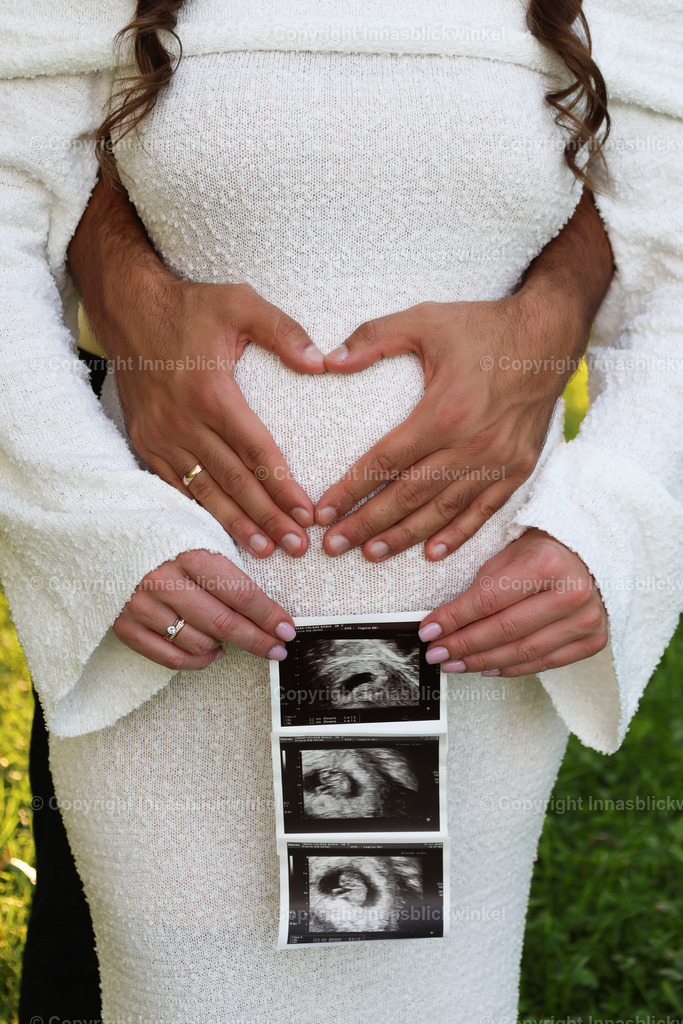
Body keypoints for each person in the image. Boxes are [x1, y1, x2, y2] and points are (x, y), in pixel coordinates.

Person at [0, 0, 680, 1020]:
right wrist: (92, 519)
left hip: (472, 655)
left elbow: (670, 261)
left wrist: (608, 526)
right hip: (169, 653)